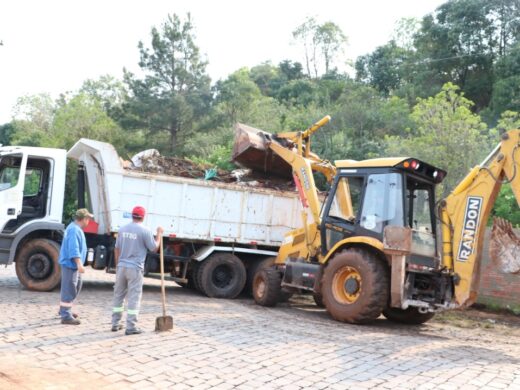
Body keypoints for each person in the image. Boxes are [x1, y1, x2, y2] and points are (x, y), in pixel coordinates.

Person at [112, 206, 163, 335]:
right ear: (143, 216)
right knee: (134, 297)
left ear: (132, 215)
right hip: (135, 268)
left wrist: (118, 266)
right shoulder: (144, 231)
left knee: (118, 295)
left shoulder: (122, 229)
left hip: (121, 267)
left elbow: (116, 248)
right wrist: (159, 235)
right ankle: (131, 327)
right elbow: (153, 248)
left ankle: (115, 323)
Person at [58, 208, 93, 325]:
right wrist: (79, 264)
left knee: (75, 286)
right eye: (88, 218)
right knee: (69, 288)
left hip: (71, 265)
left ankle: (65, 309)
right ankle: (65, 315)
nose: (89, 221)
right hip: (70, 264)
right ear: (83, 219)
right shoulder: (74, 230)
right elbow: (74, 249)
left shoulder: (74, 228)